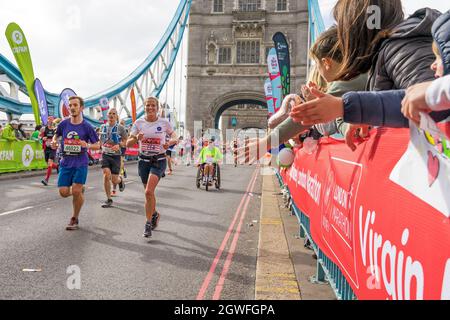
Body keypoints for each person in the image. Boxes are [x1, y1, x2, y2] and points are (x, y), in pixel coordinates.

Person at [289, 10, 450, 141]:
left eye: (346, 30)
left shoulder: (397, 48)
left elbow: (429, 111)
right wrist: (363, 116)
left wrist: (348, 108)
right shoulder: (383, 54)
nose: (344, 41)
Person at [126, 97, 178, 238]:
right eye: (147, 105)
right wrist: (137, 138)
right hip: (143, 160)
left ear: (158, 107)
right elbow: (128, 143)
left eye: (153, 105)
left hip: (158, 160)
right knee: (148, 194)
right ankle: (154, 214)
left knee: (148, 192)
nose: (150, 107)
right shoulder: (139, 123)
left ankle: (148, 224)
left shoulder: (164, 122)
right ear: (144, 107)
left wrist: (171, 142)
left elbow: (175, 136)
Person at [51, 96, 100, 231]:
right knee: (63, 192)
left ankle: (75, 217)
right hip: (65, 162)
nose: (72, 108)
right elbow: (56, 135)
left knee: (77, 191)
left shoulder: (87, 127)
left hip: (80, 162)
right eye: (70, 105)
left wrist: (87, 145)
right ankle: (78, 190)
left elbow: (97, 145)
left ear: (81, 108)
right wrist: (54, 141)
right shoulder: (63, 124)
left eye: (75, 105)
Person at [99, 108, 128, 208]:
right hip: (105, 155)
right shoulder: (102, 127)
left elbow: (126, 141)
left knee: (114, 180)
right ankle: (108, 199)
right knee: (106, 175)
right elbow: (100, 140)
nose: (111, 115)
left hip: (116, 156)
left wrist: (119, 145)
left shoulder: (121, 128)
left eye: (113, 114)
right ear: (107, 116)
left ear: (116, 116)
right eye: (109, 114)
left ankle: (120, 180)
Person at [41, 117, 59, 186]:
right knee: (48, 163)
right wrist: (43, 138)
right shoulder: (44, 129)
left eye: (51, 122)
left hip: (53, 148)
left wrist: (55, 142)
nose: (50, 123)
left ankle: (46, 180)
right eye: (49, 121)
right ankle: (57, 166)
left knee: (49, 163)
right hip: (46, 148)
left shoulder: (56, 130)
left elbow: (58, 138)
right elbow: (39, 137)